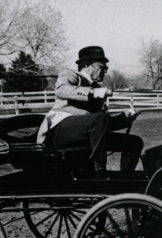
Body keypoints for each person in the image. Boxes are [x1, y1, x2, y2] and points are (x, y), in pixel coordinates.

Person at [36, 45, 142, 177]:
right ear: (86, 65)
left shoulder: (97, 88)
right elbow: (61, 90)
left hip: (85, 135)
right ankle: (99, 171)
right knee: (99, 118)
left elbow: (101, 126)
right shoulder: (71, 75)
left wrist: (125, 118)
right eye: (101, 67)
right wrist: (92, 92)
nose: (104, 71)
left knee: (134, 142)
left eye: (106, 68)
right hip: (60, 132)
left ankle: (126, 177)